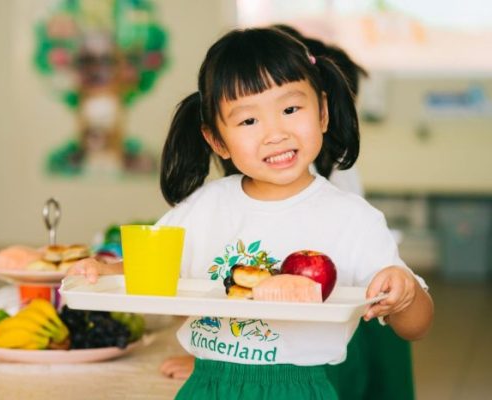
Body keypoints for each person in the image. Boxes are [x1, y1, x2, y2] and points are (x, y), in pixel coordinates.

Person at [70, 27, 434, 399]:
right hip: (206, 385)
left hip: (299, 388)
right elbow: (153, 267)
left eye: (291, 109)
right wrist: (105, 270)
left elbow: (416, 326)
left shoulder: (352, 218)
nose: (275, 133)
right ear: (216, 140)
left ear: (323, 113)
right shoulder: (205, 206)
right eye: (248, 121)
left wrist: (404, 295)